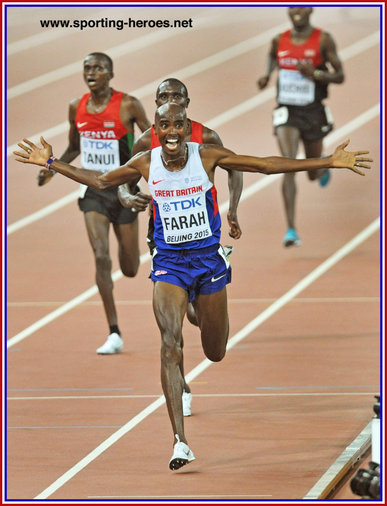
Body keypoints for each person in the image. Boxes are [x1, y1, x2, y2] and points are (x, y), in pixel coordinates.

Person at [15, 103, 371, 470]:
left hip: (208, 262)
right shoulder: (144, 161)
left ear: (187, 128)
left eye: (178, 125)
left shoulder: (207, 156)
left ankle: (200, 302)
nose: (171, 131)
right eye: (164, 125)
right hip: (169, 264)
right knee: (170, 343)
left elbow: (265, 164)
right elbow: (103, 181)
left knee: (215, 351)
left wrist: (329, 161)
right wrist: (50, 162)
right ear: (156, 128)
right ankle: (180, 441)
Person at [117, 77, 244, 418]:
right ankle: (182, 385)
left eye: (176, 96)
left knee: (201, 322)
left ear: (187, 103)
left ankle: (203, 308)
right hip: (164, 236)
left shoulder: (209, 137)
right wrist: (129, 197)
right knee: (169, 330)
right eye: (163, 97)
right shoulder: (146, 141)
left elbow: (237, 168)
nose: (170, 100)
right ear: (156, 102)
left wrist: (232, 207)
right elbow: (123, 183)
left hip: (204, 236)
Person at [37, 52, 151, 354]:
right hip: (92, 191)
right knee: (101, 255)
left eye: (98, 68)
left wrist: (141, 175)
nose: (91, 72)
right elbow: (75, 146)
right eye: (87, 68)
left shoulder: (129, 104)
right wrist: (52, 166)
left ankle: (127, 258)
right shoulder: (76, 107)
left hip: (123, 190)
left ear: (110, 74)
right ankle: (114, 331)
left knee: (129, 268)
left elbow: (151, 139)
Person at [257, 6, 345, 247]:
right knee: (288, 163)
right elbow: (272, 57)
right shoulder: (279, 40)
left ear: (310, 11)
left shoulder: (323, 40)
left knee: (311, 172)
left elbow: (340, 75)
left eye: (301, 8)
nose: (296, 12)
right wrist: (266, 76)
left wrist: (315, 73)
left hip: (313, 110)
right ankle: (291, 229)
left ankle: (322, 167)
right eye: (292, 8)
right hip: (287, 110)